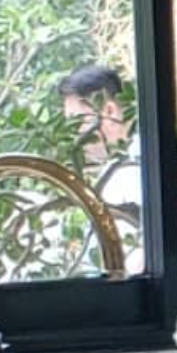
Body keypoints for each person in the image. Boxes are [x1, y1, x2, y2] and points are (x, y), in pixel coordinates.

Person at [58, 62, 144, 270]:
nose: (74, 135)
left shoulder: (136, 172)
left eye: (76, 122)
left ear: (109, 111)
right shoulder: (120, 166)